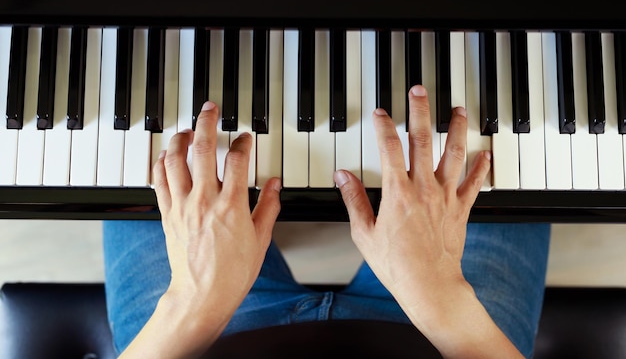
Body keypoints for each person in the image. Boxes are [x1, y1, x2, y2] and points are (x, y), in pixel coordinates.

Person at [103, 85, 551, 359]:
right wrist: (442, 296)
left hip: (205, 340)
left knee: (145, 172)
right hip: (443, 337)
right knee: (506, 172)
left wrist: (194, 300)